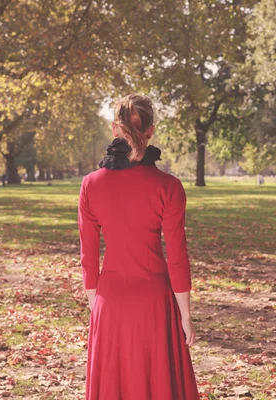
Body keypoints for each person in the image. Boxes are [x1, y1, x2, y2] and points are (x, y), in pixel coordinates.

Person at [78, 94, 199, 400]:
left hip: (110, 302)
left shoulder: (91, 184)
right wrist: (185, 316)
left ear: (114, 129)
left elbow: (88, 257)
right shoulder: (169, 187)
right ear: (151, 130)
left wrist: (96, 306)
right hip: (155, 304)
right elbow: (177, 258)